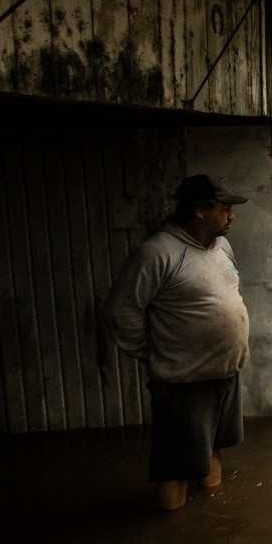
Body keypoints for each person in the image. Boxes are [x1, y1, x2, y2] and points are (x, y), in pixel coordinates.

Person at [104, 175, 251, 511]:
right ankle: (173, 536)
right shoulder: (158, 253)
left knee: (214, 449)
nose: (232, 215)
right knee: (175, 469)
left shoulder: (222, 247)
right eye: (224, 208)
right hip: (182, 381)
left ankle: (212, 523)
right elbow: (120, 312)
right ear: (200, 211)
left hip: (225, 374)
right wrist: (153, 354)